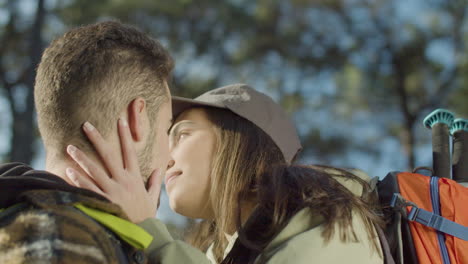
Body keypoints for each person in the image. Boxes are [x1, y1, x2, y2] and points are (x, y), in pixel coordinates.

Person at [66, 84, 385, 263]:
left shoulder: (333, 220)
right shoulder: (217, 254)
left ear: (239, 143)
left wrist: (148, 232)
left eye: (182, 135)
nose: (164, 159)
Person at [0, 21, 209, 263]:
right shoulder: (61, 241)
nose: (168, 156)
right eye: (166, 129)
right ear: (136, 120)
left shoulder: (23, 218)